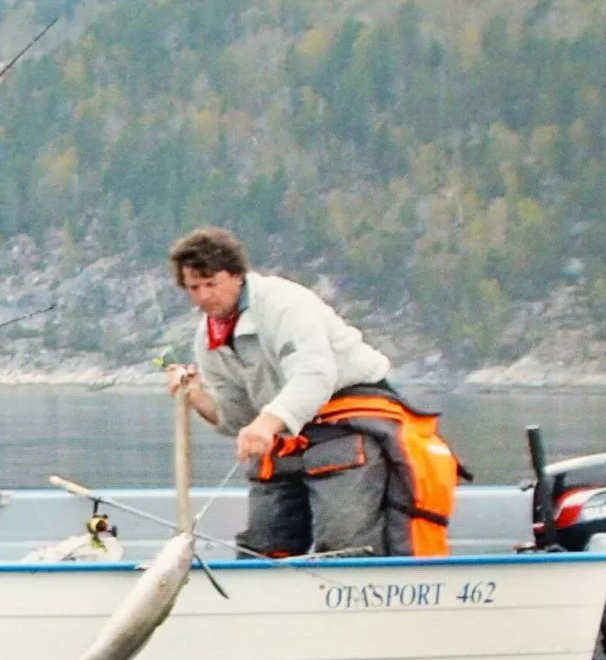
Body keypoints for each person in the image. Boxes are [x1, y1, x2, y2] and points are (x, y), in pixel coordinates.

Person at [164, 226, 463, 558]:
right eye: (194, 287)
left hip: (348, 417)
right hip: (288, 431)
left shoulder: (282, 304)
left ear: (236, 276)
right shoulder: (208, 340)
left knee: (344, 542)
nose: (204, 296)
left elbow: (315, 375)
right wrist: (196, 397)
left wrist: (265, 424)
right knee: (262, 546)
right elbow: (238, 416)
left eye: (211, 284)